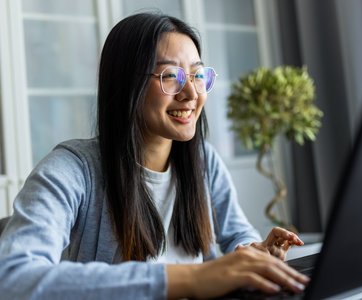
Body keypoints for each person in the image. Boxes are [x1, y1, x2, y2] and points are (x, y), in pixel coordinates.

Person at [0, 12, 309, 299]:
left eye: (198, 75)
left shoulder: (204, 161)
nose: (191, 93)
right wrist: (191, 278)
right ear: (127, 84)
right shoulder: (72, 170)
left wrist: (254, 252)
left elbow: (236, 234)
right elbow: (13, 276)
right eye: (171, 75)